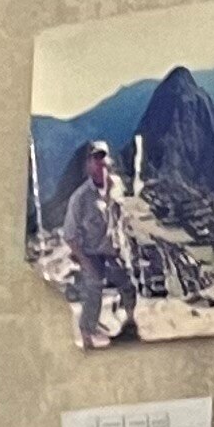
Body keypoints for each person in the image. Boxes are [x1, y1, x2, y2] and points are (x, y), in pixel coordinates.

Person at [60, 141, 139, 346]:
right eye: (95, 158)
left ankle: (130, 323)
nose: (100, 162)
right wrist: (85, 263)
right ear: (87, 164)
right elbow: (69, 235)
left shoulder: (117, 186)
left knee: (128, 285)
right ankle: (87, 338)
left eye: (103, 157)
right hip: (91, 252)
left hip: (114, 248)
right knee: (93, 291)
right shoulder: (80, 198)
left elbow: (122, 215)